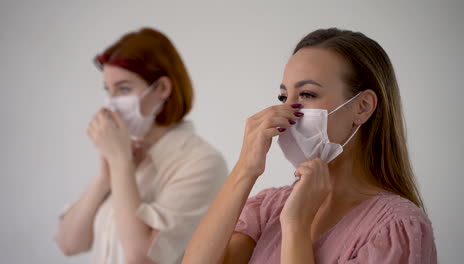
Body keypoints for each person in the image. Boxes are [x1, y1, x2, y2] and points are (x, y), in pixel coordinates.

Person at [182, 28, 437, 264]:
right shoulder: (270, 207)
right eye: (284, 97)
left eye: (307, 95)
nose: (286, 111)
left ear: (362, 107)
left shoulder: (395, 227)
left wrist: (296, 226)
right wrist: (245, 169)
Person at [55, 28, 228, 264]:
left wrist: (120, 164)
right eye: (108, 89)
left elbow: (140, 258)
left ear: (162, 89)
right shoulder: (129, 156)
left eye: (123, 89)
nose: (111, 103)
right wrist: (104, 179)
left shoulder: (202, 163)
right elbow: (69, 244)